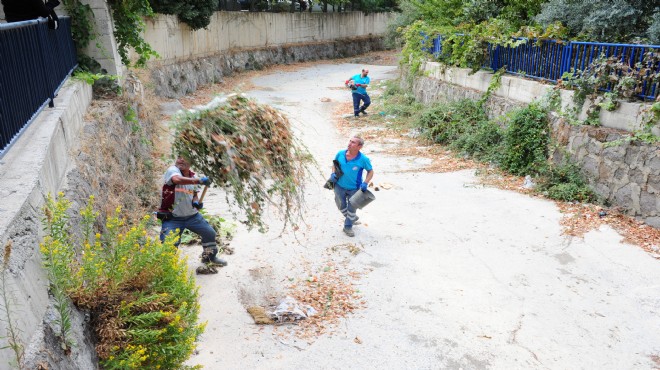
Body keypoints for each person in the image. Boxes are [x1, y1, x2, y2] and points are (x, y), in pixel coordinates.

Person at [158, 156, 227, 268]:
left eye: (185, 158)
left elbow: (194, 195)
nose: (181, 160)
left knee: (209, 233)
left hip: (192, 217)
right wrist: (199, 180)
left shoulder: (192, 176)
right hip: (173, 218)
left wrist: (196, 202)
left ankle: (209, 257)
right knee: (168, 242)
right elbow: (177, 180)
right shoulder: (173, 171)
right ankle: (168, 268)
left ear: (191, 162)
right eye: (179, 157)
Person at [328, 136, 374, 237]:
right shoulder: (340, 153)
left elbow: (370, 171)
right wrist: (333, 173)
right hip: (339, 186)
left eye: (353, 142)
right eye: (350, 141)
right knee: (341, 205)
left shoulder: (363, 159)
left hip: (355, 188)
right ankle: (352, 218)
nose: (349, 144)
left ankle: (348, 226)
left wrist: (365, 182)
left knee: (352, 207)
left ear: (359, 147)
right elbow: (335, 164)